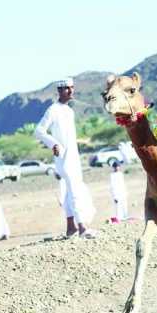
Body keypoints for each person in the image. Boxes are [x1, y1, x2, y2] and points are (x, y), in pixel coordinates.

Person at [36, 78, 96, 238]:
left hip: (73, 157)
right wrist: (53, 144)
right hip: (63, 158)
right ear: (60, 91)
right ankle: (82, 227)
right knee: (75, 190)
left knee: (71, 191)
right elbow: (39, 131)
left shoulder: (69, 111)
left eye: (72, 88)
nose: (71, 91)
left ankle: (71, 228)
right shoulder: (53, 110)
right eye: (67, 88)